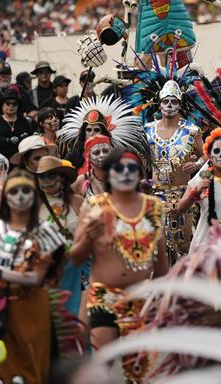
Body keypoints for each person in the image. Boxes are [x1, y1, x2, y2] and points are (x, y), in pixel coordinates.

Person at [70, 148, 167, 382]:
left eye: (131, 168)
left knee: (138, 369)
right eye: (118, 168)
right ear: (108, 173)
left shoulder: (154, 207)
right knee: (102, 364)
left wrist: (160, 300)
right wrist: (89, 237)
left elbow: (162, 265)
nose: (125, 173)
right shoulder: (95, 206)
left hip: (140, 296)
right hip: (104, 296)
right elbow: (75, 257)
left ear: (139, 174)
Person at [0, 168, 67, 384]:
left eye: (26, 191)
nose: (20, 196)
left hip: (30, 309)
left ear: (33, 195)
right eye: (14, 192)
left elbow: (36, 278)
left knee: (31, 369)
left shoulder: (45, 232)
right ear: (5, 197)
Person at [145, 80, 203, 263]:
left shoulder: (192, 131)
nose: (169, 106)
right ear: (159, 103)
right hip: (156, 194)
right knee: (157, 246)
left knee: (183, 245)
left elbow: (208, 156)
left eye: (174, 101)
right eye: (166, 101)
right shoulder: (147, 130)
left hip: (183, 194)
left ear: (180, 103)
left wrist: (197, 165)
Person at [35, 156, 86, 314]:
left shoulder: (78, 202)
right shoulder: (34, 205)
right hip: (48, 270)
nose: (46, 181)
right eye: (41, 177)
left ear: (62, 179)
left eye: (51, 176)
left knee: (75, 312)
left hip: (76, 268)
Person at [0, 85, 34, 163]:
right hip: (0, 160)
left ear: (18, 106)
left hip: (20, 160)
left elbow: (30, 136)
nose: (11, 106)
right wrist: (7, 140)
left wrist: (24, 136)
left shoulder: (24, 121)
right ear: (2, 105)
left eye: (14, 104)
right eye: (8, 103)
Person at [72, 134, 113, 199]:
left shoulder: (121, 176)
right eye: (96, 153)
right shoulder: (80, 181)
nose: (102, 155)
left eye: (105, 151)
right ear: (89, 157)